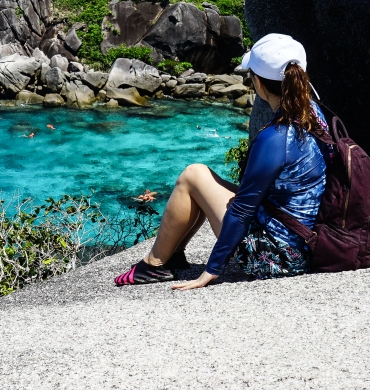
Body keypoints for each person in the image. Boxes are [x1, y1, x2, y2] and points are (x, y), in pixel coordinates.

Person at [114, 33, 330, 289]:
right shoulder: (314, 114)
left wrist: (211, 269)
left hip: (277, 256)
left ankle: (153, 263)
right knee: (201, 178)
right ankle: (171, 256)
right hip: (304, 239)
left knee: (192, 175)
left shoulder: (275, 137)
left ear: (259, 84)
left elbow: (243, 209)